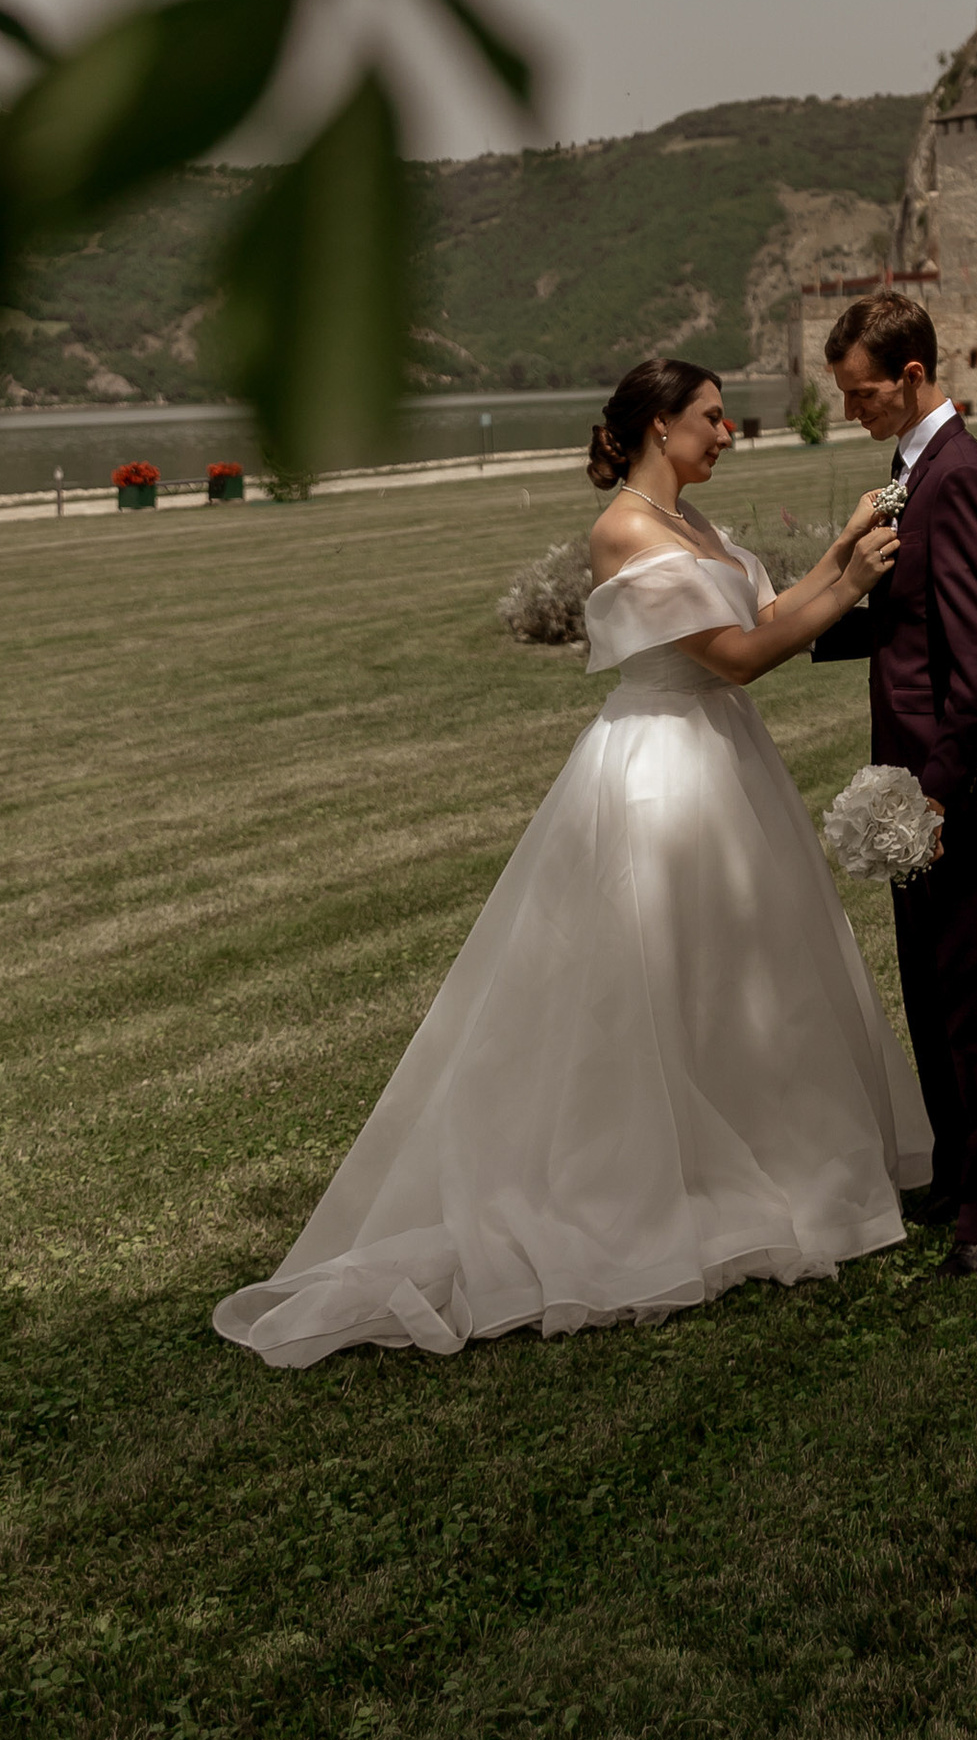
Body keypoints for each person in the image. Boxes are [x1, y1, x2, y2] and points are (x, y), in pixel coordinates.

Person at [213, 359, 929, 1368]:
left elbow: (768, 615)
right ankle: (640, 1184)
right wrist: (853, 580)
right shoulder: (626, 530)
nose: (728, 434)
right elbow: (734, 657)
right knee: (650, 974)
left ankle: (753, 1153)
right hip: (661, 767)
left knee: (736, 973)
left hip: (724, 763)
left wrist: (842, 549)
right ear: (656, 427)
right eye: (713, 420)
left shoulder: (701, 529)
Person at [813, 291, 977, 1275]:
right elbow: (913, 618)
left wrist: (937, 792)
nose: (852, 411)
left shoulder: (957, 475)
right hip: (910, 772)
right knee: (927, 986)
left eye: (862, 394)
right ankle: (955, 1167)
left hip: (952, 783)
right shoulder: (908, 468)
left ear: (910, 375)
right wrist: (826, 614)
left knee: (974, 996)